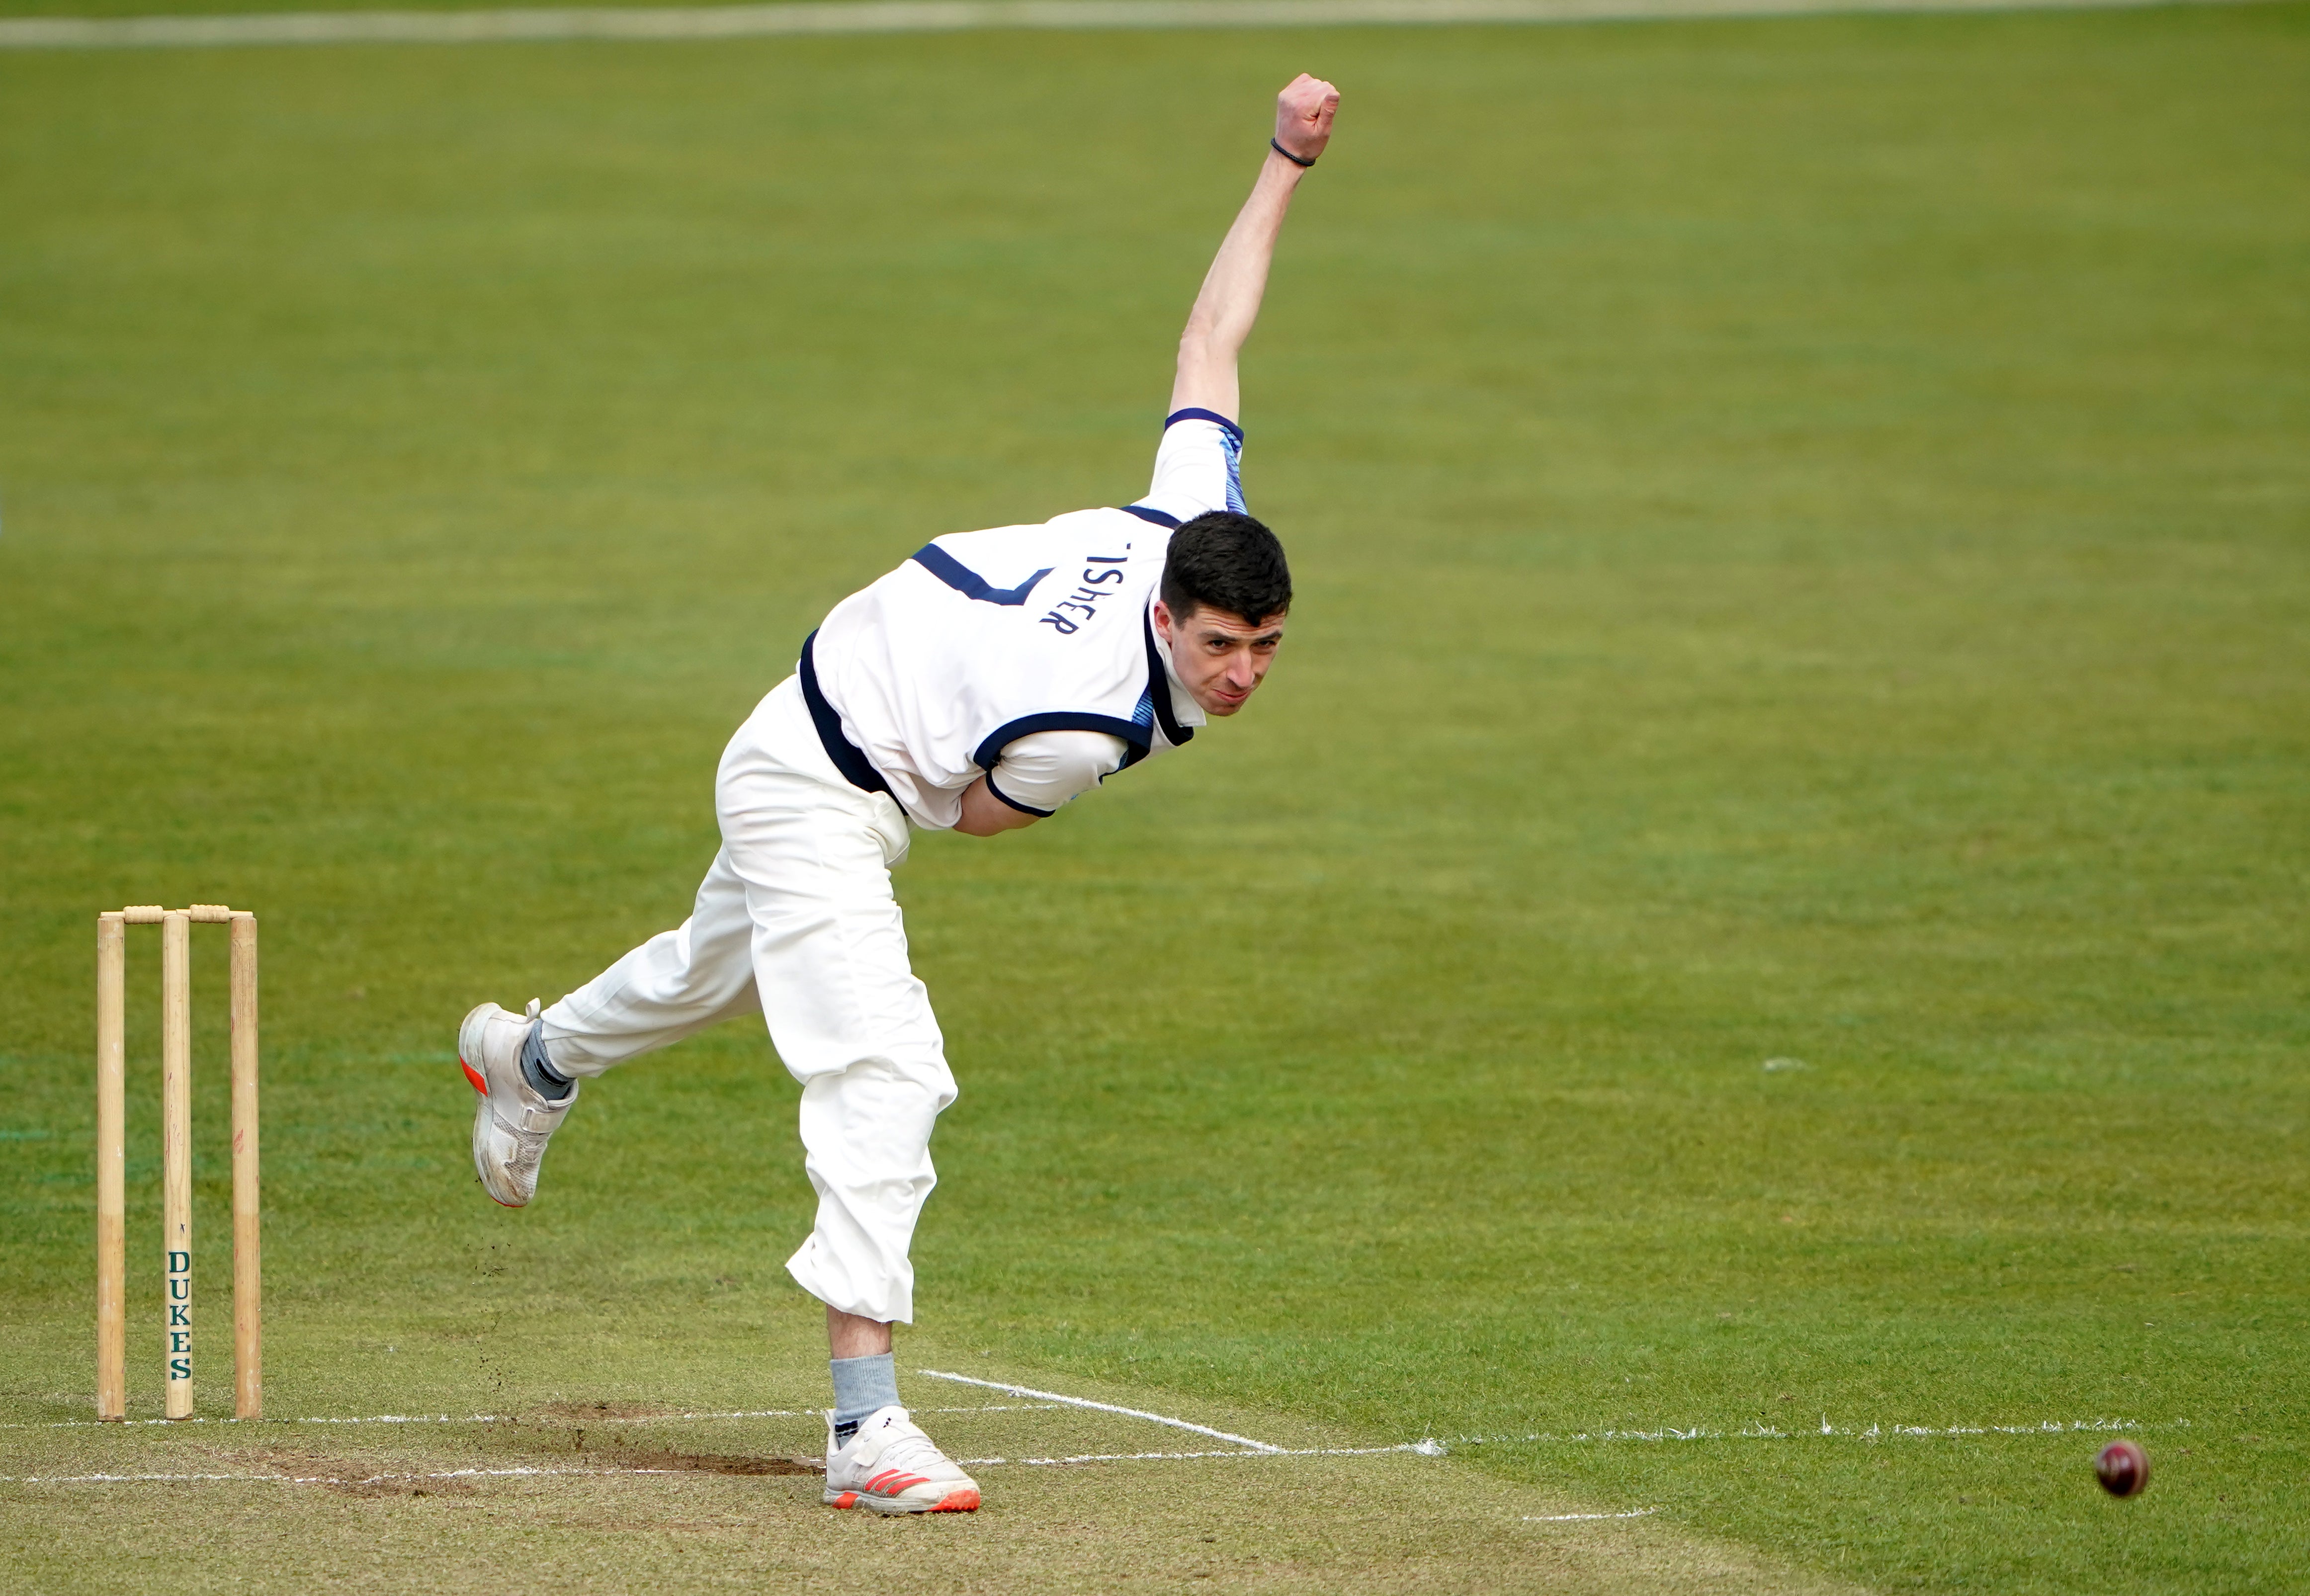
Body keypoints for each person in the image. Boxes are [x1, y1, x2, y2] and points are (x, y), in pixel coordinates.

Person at [456, 72, 1341, 1515]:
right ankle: (864, 1428)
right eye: (1224, 646)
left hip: (810, 719)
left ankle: (534, 1058)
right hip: (823, 778)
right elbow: (983, 813)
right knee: (888, 1066)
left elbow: (1211, 337)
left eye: (1268, 649)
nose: (1244, 673)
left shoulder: (1193, 509)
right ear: (1174, 618)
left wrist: (1284, 159)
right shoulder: (1082, 727)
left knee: (712, 975)